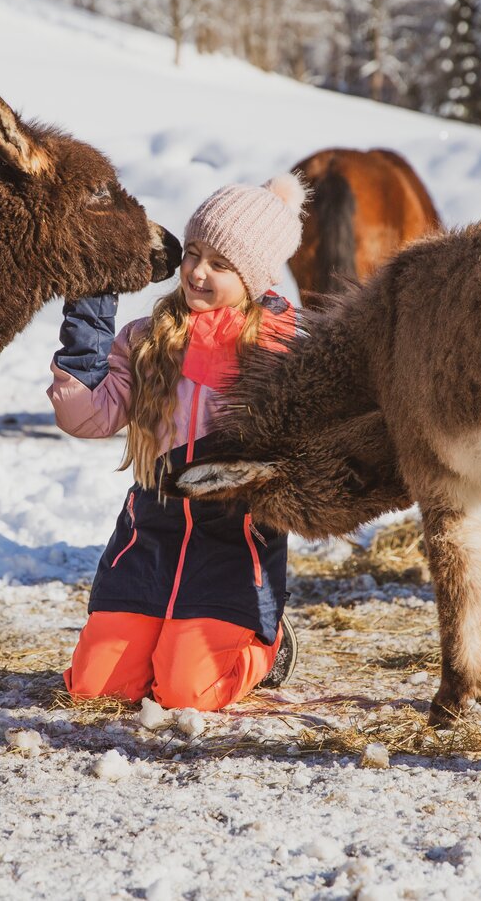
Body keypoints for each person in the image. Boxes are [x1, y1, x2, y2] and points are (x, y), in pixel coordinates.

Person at [47, 173, 307, 710]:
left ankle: (269, 645)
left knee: (186, 692)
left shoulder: (282, 354)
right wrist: (90, 310)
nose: (196, 271)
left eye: (219, 262)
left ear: (255, 275)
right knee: (96, 688)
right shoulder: (148, 340)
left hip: (233, 545)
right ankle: (159, 636)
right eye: (192, 253)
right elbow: (86, 417)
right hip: (150, 536)